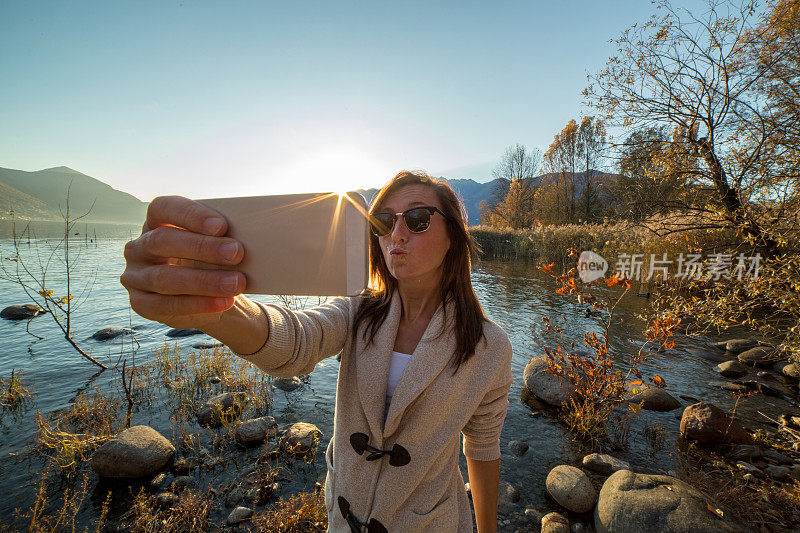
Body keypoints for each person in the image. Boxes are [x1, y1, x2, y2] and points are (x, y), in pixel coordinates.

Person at [120, 170, 513, 532]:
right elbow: (296, 339)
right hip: (343, 521)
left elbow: (481, 447)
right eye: (383, 222)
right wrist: (210, 306)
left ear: (454, 236)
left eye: (417, 219)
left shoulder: (489, 347)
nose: (397, 233)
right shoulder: (358, 310)